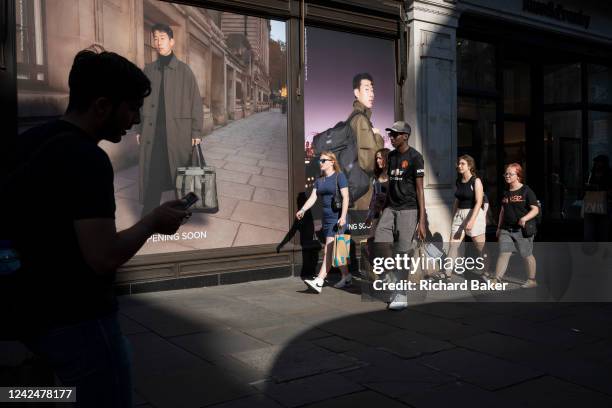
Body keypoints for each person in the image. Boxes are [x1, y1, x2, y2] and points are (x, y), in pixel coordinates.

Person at [2, 49, 189, 407]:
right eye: (131, 108)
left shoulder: (30, 141)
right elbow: (104, 257)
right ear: (102, 106)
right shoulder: (87, 158)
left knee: (52, 394)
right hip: (78, 318)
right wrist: (152, 221)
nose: (134, 120)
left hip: (28, 313)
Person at [137, 23, 203, 216]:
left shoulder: (185, 71)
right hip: (154, 133)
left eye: (162, 38)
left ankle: (180, 212)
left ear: (172, 42)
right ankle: (149, 213)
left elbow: (196, 102)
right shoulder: (148, 70)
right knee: (153, 172)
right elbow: (138, 101)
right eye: (155, 38)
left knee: (179, 173)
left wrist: (196, 131)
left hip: (178, 133)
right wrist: (139, 129)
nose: (158, 42)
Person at [374, 121, 427, 310]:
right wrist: (382, 206)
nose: (392, 137)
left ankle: (401, 293)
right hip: (391, 208)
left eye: (395, 134)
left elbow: (420, 190)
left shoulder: (415, 158)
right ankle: (390, 277)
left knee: (403, 252)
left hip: (409, 209)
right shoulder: (393, 156)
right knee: (380, 241)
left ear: (405, 136)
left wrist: (422, 221)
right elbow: (391, 184)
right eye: (391, 134)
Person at [297, 151, 351, 293]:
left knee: (329, 250)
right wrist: (302, 210)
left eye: (323, 160)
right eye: (319, 161)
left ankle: (319, 280)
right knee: (337, 253)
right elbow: (313, 198)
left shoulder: (340, 177)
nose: (320, 163)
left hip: (338, 219)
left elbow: (346, 197)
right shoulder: (319, 180)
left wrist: (343, 216)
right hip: (327, 220)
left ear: (332, 162)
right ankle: (347, 276)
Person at [434, 155, 488, 281]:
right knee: (453, 245)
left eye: (462, 163)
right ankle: (447, 274)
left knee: (480, 247)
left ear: (469, 166)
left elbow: (479, 201)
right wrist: (453, 217)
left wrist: (472, 220)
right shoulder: (459, 182)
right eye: (459, 163)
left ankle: (485, 272)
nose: (459, 166)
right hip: (459, 214)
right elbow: (456, 201)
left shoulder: (476, 181)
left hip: (473, 214)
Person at [490, 163, 539, 288]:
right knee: (504, 253)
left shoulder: (526, 190)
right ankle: (496, 280)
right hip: (506, 229)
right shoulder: (505, 192)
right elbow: (502, 211)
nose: (507, 176)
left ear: (518, 176)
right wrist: (499, 228)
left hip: (522, 230)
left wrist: (525, 218)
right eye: (505, 173)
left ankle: (532, 280)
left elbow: (535, 209)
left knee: (526, 254)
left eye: (510, 174)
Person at [349, 73, 385, 210]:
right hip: (362, 197)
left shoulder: (353, 118)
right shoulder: (361, 120)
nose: (372, 94)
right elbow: (371, 162)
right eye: (367, 89)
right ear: (356, 92)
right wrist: (377, 136)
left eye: (372, 89)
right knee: (364, 231)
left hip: (355, 191)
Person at [583, 155, 612, 241]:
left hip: (600, 204)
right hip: (594, 204)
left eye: (599, 162)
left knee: (602, 230)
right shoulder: (591, 173)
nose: (597, 164)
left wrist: (596, 187)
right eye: (597, 162)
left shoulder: (608, 174)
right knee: (593, 230)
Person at [365, 148, 390, 235]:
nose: (377, 160)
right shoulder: (376, 176)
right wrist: (369, 215)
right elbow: (374, 196)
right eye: (376, 158)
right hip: (376, 214)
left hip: (388, 213)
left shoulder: (393, 176)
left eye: (380, 158)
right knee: (372, 238)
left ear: (386, 158)